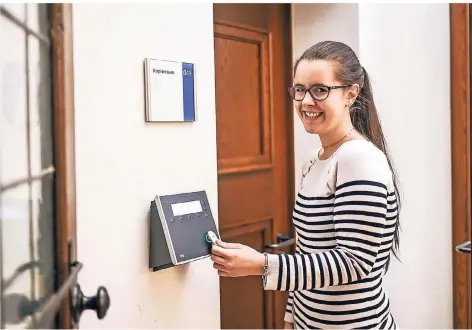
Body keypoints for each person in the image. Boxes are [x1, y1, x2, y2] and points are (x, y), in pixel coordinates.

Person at [210, 40, 401, 329]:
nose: (306, 101)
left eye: (320, 90)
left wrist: (260, 264)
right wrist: (292, 317)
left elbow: (353, 262)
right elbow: (307, 251)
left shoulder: (359, 158)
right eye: (299, 90)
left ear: (351, 94)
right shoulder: (314, 160)